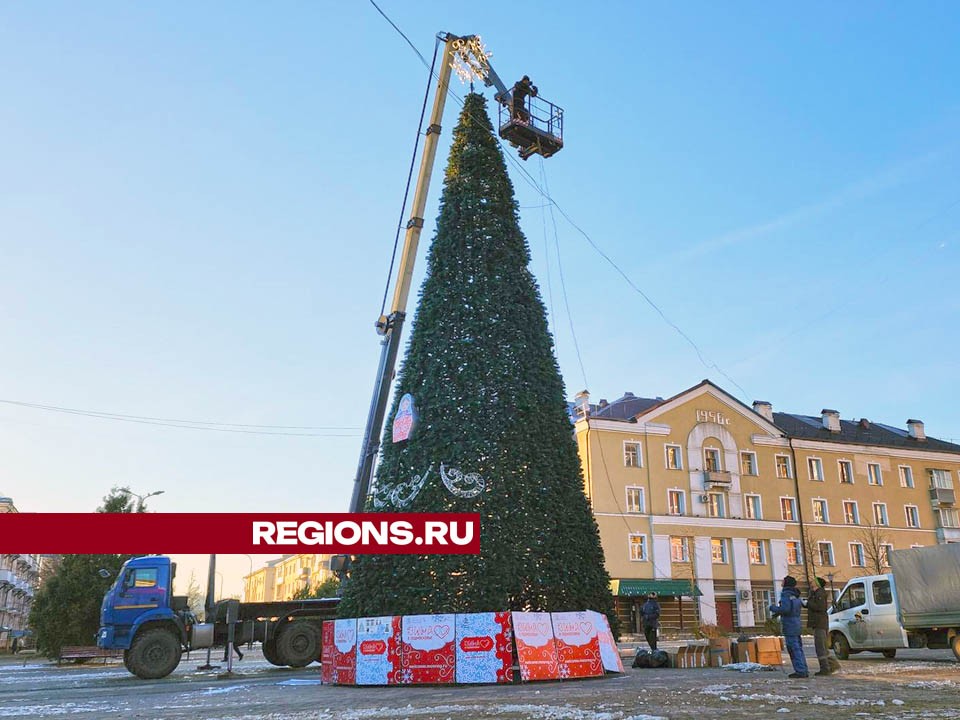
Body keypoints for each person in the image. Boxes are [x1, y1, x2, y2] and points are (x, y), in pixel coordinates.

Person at [769, 575, 808, 678]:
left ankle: (800, 671)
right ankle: (803, 669)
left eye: (783, 580)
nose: (781, 582)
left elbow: (785, 609)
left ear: (786, 583)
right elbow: (792, 608)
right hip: (796, 623)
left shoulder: (786, 594)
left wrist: (773, 608)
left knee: (793, 648)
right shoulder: (796, 594)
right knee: (798, 648)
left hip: (789, 624)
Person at [807, 576, 836, 676]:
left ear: (817, 584)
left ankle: (825, 668)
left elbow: (819, 607)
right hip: (819, 623)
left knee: (820, 647)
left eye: (813, 581)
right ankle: (830, 666)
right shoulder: (816, 593)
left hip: (819, 623)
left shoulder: (819, 593)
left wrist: (808, 603)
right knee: (822, 646)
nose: (811, 582)